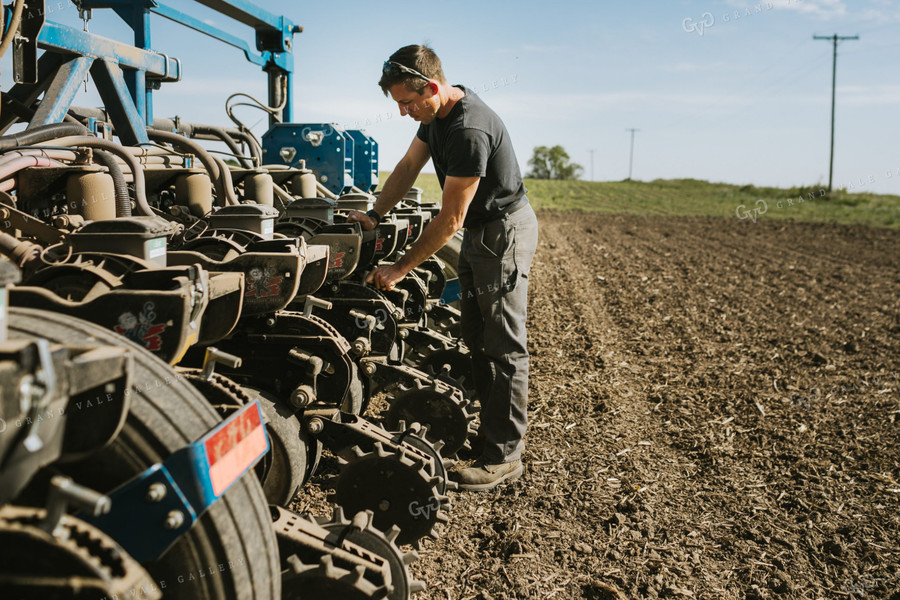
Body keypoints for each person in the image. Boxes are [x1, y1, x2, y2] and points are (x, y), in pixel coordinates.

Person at [347, 45, 538, 491]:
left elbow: (450, 218)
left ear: (433, 87)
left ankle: (505, 457)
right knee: (476, 337)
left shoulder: (468, 128)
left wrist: (400, 268)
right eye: (397, 104)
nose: (403, 112)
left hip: (502, 233)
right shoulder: (434, 118)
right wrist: (374, 215)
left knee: (503, 345)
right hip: (480, 232)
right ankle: (491, 439)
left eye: (409, 103)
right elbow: (407, 167)